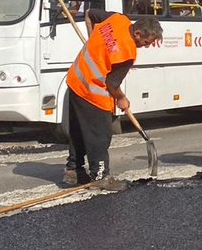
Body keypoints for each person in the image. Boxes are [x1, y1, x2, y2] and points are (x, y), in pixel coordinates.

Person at [63, 10, 164, 191]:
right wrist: (121, 98)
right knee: (100, 137)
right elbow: (112, 84)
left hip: (75, 80)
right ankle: (100, 177)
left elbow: (89, 14)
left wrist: (93, 39)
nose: (146, 46)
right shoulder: (126, 52)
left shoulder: (117, 19)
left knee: (78, 130)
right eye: (146, 42)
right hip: (92, 93)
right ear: (138, 33)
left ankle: (73, 170)